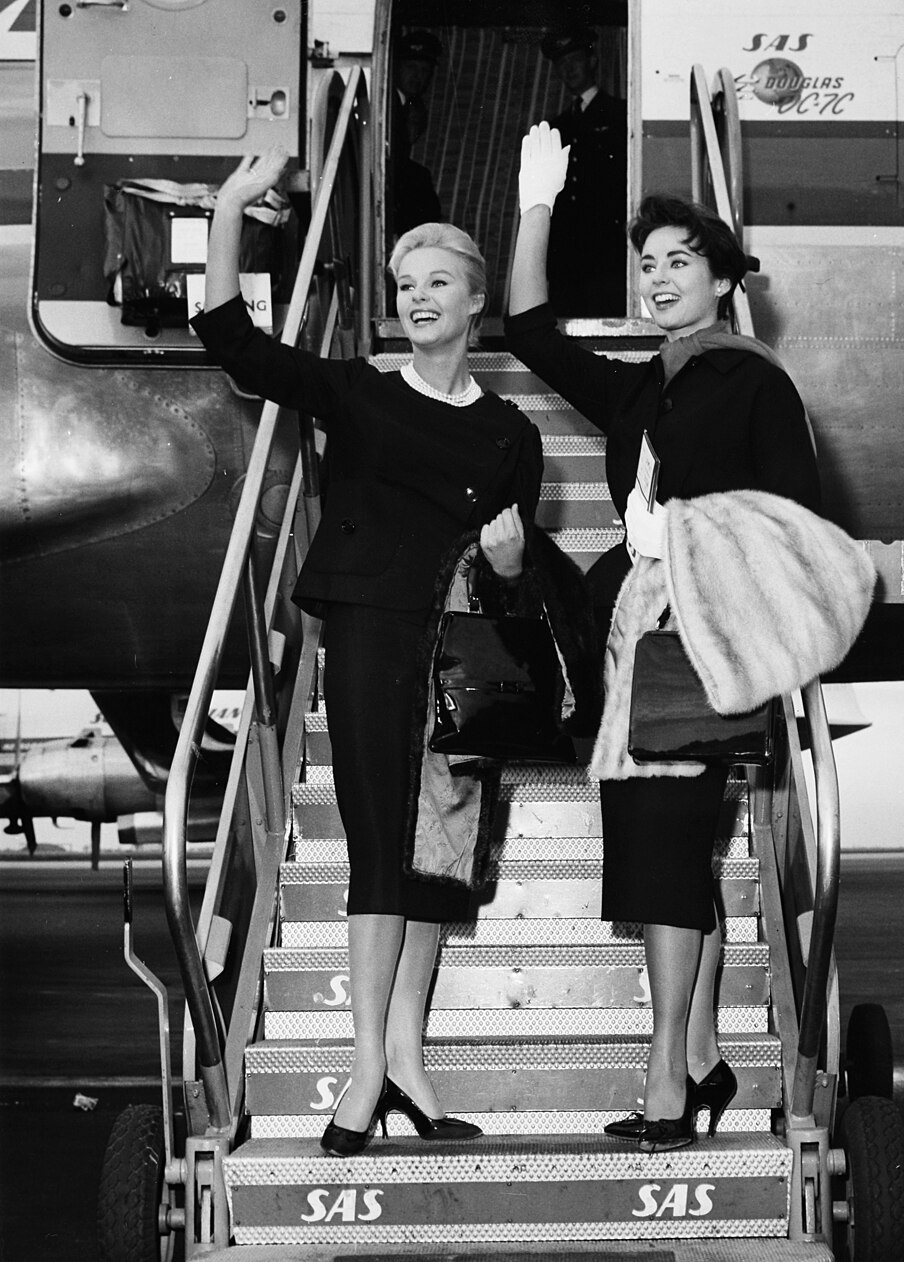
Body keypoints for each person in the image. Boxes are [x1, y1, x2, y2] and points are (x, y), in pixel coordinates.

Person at [192, 146, 545, 1157]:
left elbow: (513, 578)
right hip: (370, 626)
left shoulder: (513, 433)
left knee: (438, 857)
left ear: (477, 299)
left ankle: (407, 1065)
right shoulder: (358, 390)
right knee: (383, 843)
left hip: (459, 648)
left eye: (439, 281)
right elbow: (232, 341)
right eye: (405, 284)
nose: (418, 295)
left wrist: (515, 563)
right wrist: (228, 210)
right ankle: (360, 1072)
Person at [505, 124, 823, 1151]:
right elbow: (526, 327)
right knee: (662, 851)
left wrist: (683, 534)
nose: (656, 278)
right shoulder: (644, 385)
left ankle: (666, 1083)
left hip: (705, 635)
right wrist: (537, 203)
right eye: (646, 264)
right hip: (634, 637)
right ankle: (699, 1059)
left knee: (665, 853)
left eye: (679, 260)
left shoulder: (756, 384)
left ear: (728, 278)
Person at [540, 28, 627, 315]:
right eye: (561, 64)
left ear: (592, 61)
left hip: (608, 251)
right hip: (566, 253)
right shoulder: (556, 125)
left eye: (574, 60)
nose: (568, 69)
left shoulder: (620, 114)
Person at [391, 29, 444, 237]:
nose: (417, 76)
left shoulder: (409, 105)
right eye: (411, 67)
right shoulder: (391, 107)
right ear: (396, 67)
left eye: (424, 70)